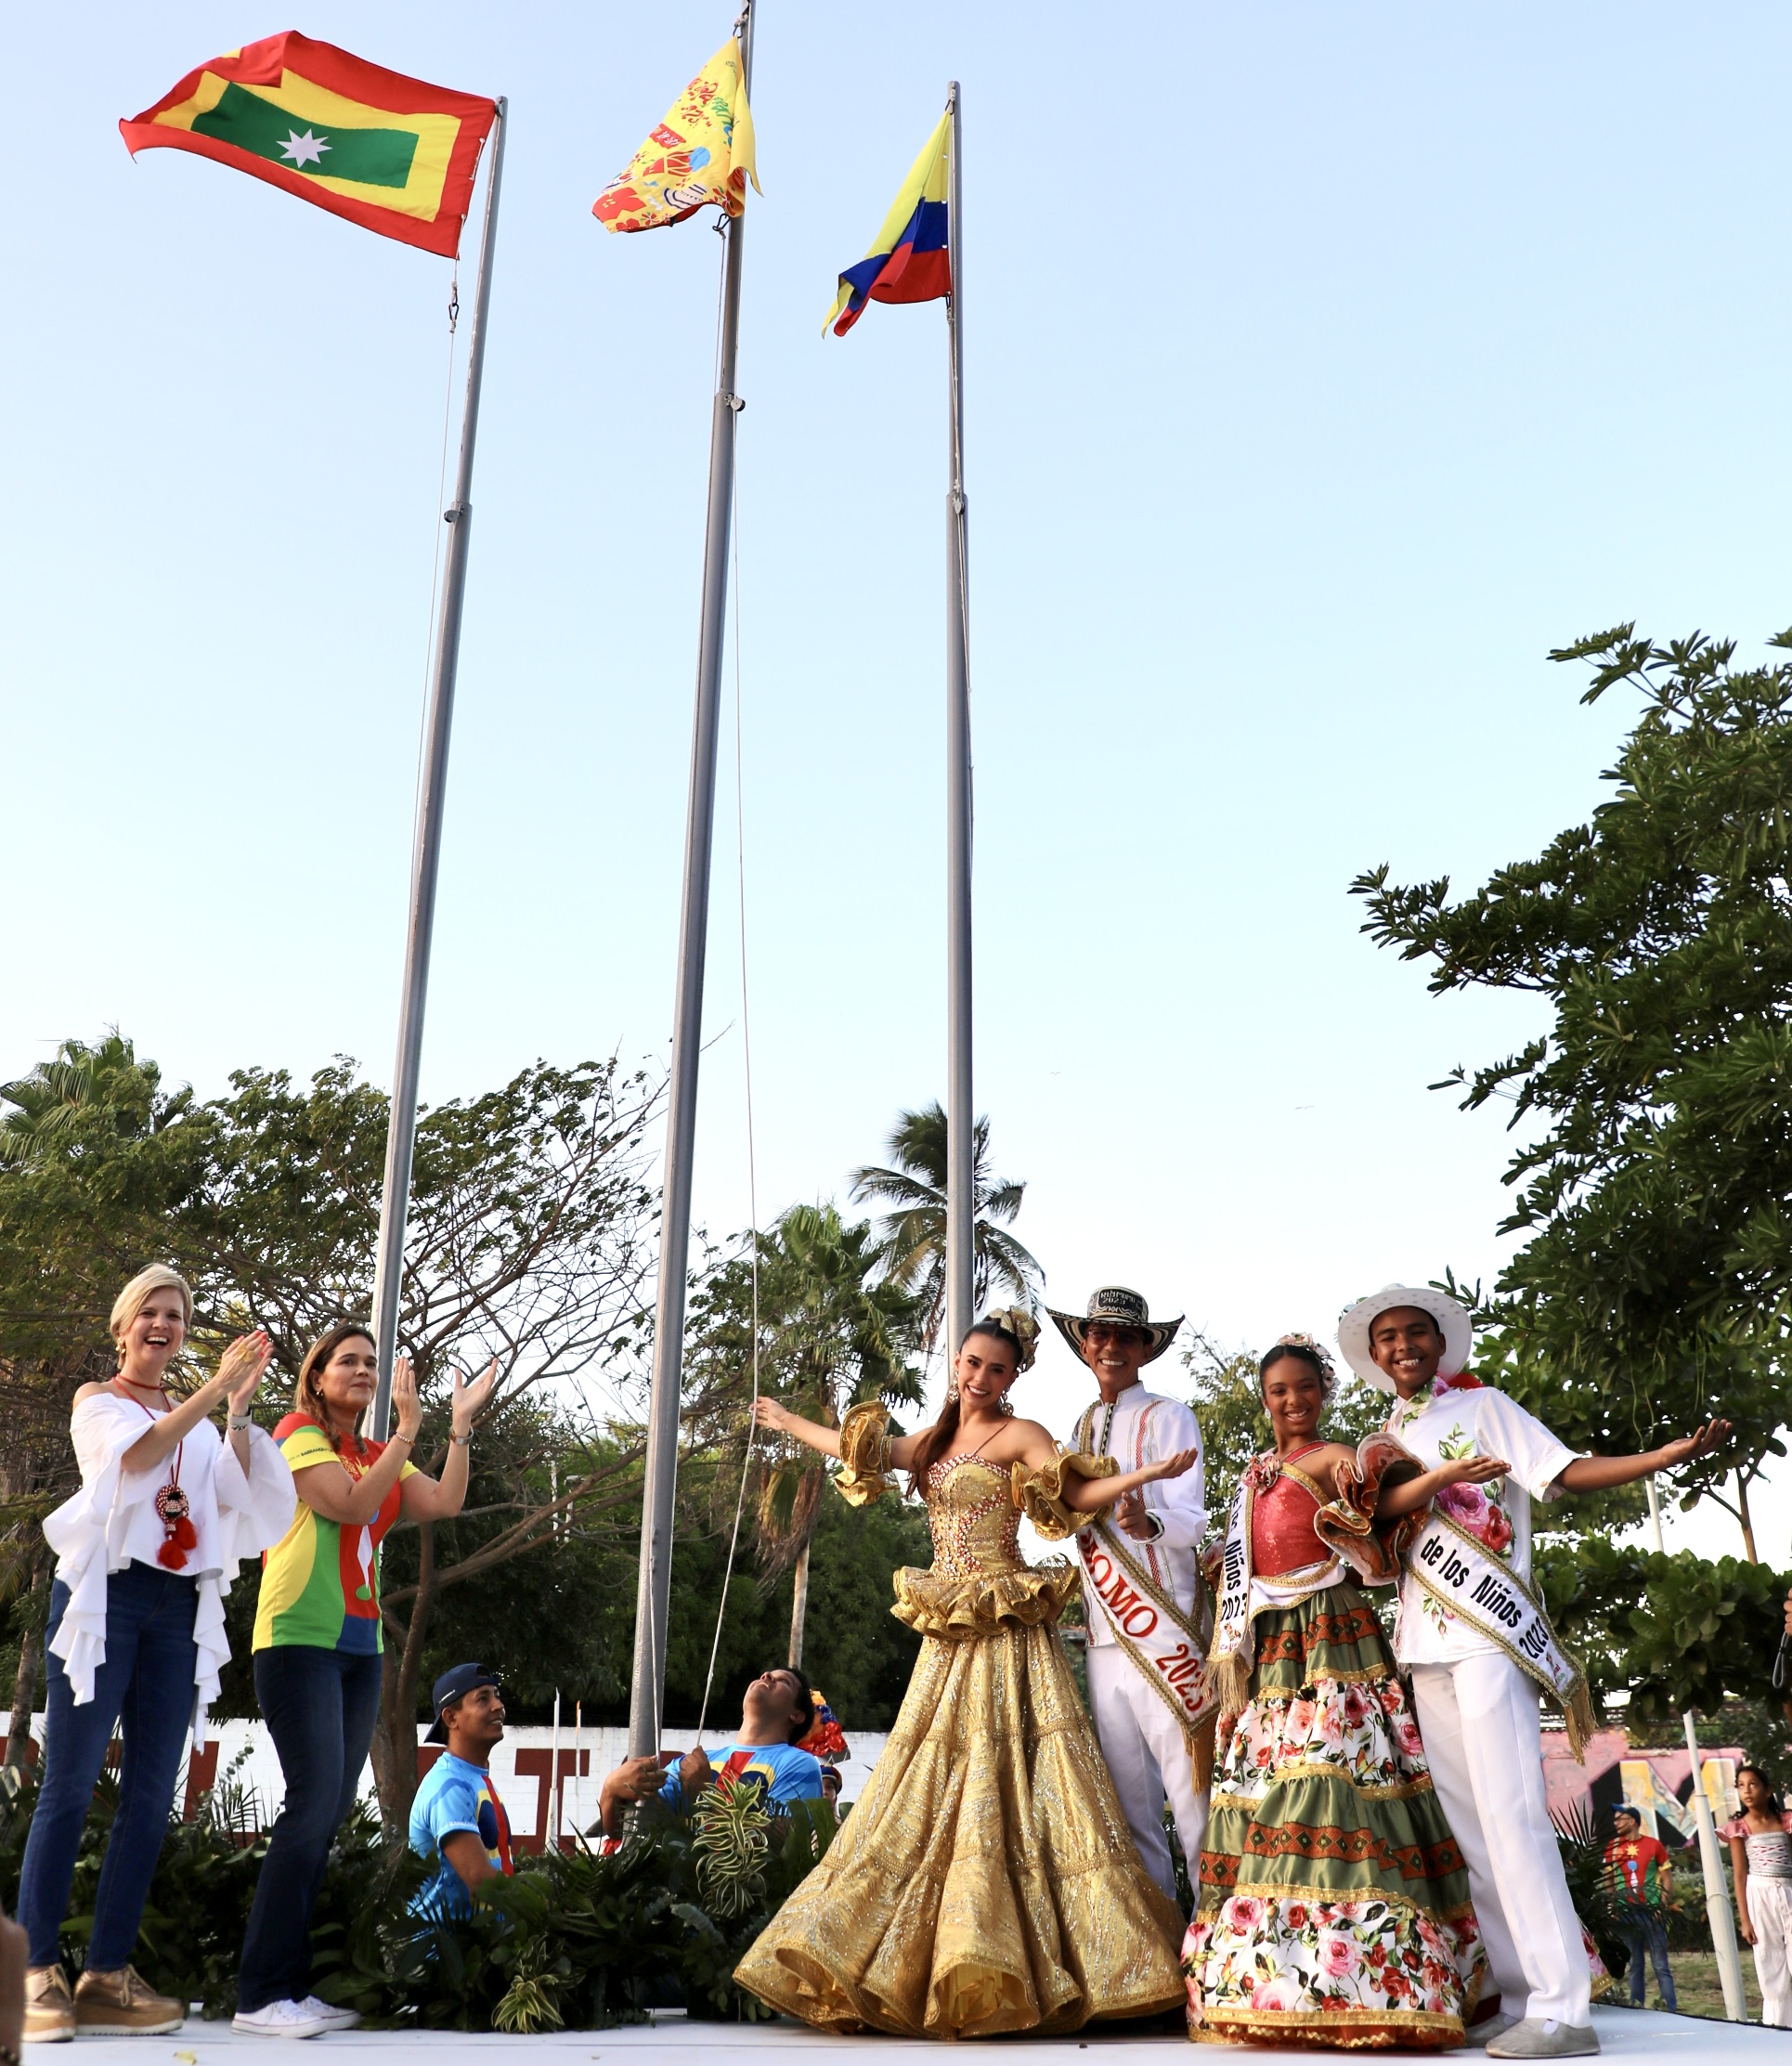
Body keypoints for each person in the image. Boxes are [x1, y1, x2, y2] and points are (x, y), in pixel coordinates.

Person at [733, 1310, 1195, 2037]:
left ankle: (1094, 1965)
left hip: (1007, 1618)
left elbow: (1072, 1496)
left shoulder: (1024, 1435)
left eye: (996, 1368)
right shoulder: (933, 1440)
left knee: (1023, 1778)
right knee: (929, 1782)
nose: (980, 1376)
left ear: (1015, 1377)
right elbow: (863, 1452)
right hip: (947, 1628)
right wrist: (790, 1419)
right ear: (957, 1362)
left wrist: (1144, 1474)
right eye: (972, 1362)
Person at [1336, 1282, 1730, 2060]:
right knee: (1474, 1832)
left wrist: (1665, 1456)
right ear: (1375, 1355)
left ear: (1440, 1342)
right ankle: (1518, 1995)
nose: (1402, 1345)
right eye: (1387, 1337)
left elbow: (1564, 1469)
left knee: (1513, 1820)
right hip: (1424, 1639)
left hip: (1488, 1638)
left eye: (1416, 1332)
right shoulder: (1385, 1433)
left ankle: (1562, 2008)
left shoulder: (1486, 1406)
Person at [1183, 1334, 1486, 2047]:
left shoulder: (1340, 1457)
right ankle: (1278, 1984)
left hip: (1331, 1640)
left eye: (1304, 1386)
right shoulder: (1257, 1471)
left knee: (1331, 1777)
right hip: (1271, 1651)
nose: (1293, 1399)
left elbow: (1383, 1508)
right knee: (1269, 1789)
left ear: (1324, 1390)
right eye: (1279, 1390)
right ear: (1265, 1399)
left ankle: (1376, 1980)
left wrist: (1441, 1476)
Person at [19, 1267, 293, 2044]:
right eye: (151, 1311)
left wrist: (237, 1410)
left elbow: (241, 1497)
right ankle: (34, 1968)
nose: (164, 1324)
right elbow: (135, 1461)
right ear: (123, 1325)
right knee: (68, 1784)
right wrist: (214, 1389)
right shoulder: (96, 1401)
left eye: (176, 1313)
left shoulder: (200, 1418)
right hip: (107, 1597)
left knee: (149, 1796)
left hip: (177, 1606)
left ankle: (106, 1975)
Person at [233, 1327, 497, 2037]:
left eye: (372, 1362)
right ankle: (259, 1992)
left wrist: (459, 1429)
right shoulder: (296, 1433)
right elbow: (347, 1506)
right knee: (312, 1803)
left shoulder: (377, 1452)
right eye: (347, 1360)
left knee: (327, 1810)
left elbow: (441, 1501)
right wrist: (409, 1432)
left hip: (358, 1646)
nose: (364, 1370)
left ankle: (288, 1986)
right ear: (317, 1377)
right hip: (297, 1638)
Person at [1047, 1286, 1211, 1904]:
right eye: (1099, 1334)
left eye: (1124, 1336)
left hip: (1163, 1624)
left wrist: (1149, 1526)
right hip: (1101, 1631)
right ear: (1084, 1343)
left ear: (1146, 1346)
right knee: (1129, 1805)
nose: (1110, 1345)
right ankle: (1159, 1956)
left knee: (1193, 1799)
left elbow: (1194, 1517)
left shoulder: (1172, 1415)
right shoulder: (1079, 1426)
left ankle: (1214, 1948)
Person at [596, 1667, 827, 1839]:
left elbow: (781, 1841)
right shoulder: (695, 1762)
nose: (766, 1676)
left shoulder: (800, 1764)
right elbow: (631, 1828)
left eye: (783, 1681)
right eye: (766, 1675)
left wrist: (704, 1795)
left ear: (796, 1715)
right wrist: (611, 1789)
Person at [409, 1665, 513, 1923]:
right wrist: (542, 1904)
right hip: (441, 1955)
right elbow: (479, 1878)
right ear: (450, 1718)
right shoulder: (448, 1785)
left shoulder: (474, 1779)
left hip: (475, 1950)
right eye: (483, 1698)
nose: (497, 1706)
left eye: (497, 1695)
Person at [1726, 1765, 1792, 2025]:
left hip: (1788, 1889)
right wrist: (1745, 1920)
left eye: (1753, 1784)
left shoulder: (1785, 1821)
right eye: (1741, 1785)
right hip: (1759, 1894)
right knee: (1770, 1960)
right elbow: (1740, 1875)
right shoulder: (1738, 1828)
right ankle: (1777, 2026)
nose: (1747, 1791)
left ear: (1768, 1789)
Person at [1603, 1803, 1675, 2012]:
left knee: (1661, 1965)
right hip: (1626, 1912)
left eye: (1620, 1819)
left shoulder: (1654, 1845)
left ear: (1632, 1821)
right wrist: (1612, 1905)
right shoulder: (1613, 1848)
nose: (1616, 1823)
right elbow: (1608, 1879)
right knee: (1635, 1965)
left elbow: (1667, 1879)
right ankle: (1637, 2008)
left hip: (1652, 1912)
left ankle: (1670, 2010)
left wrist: (1663, 1905)